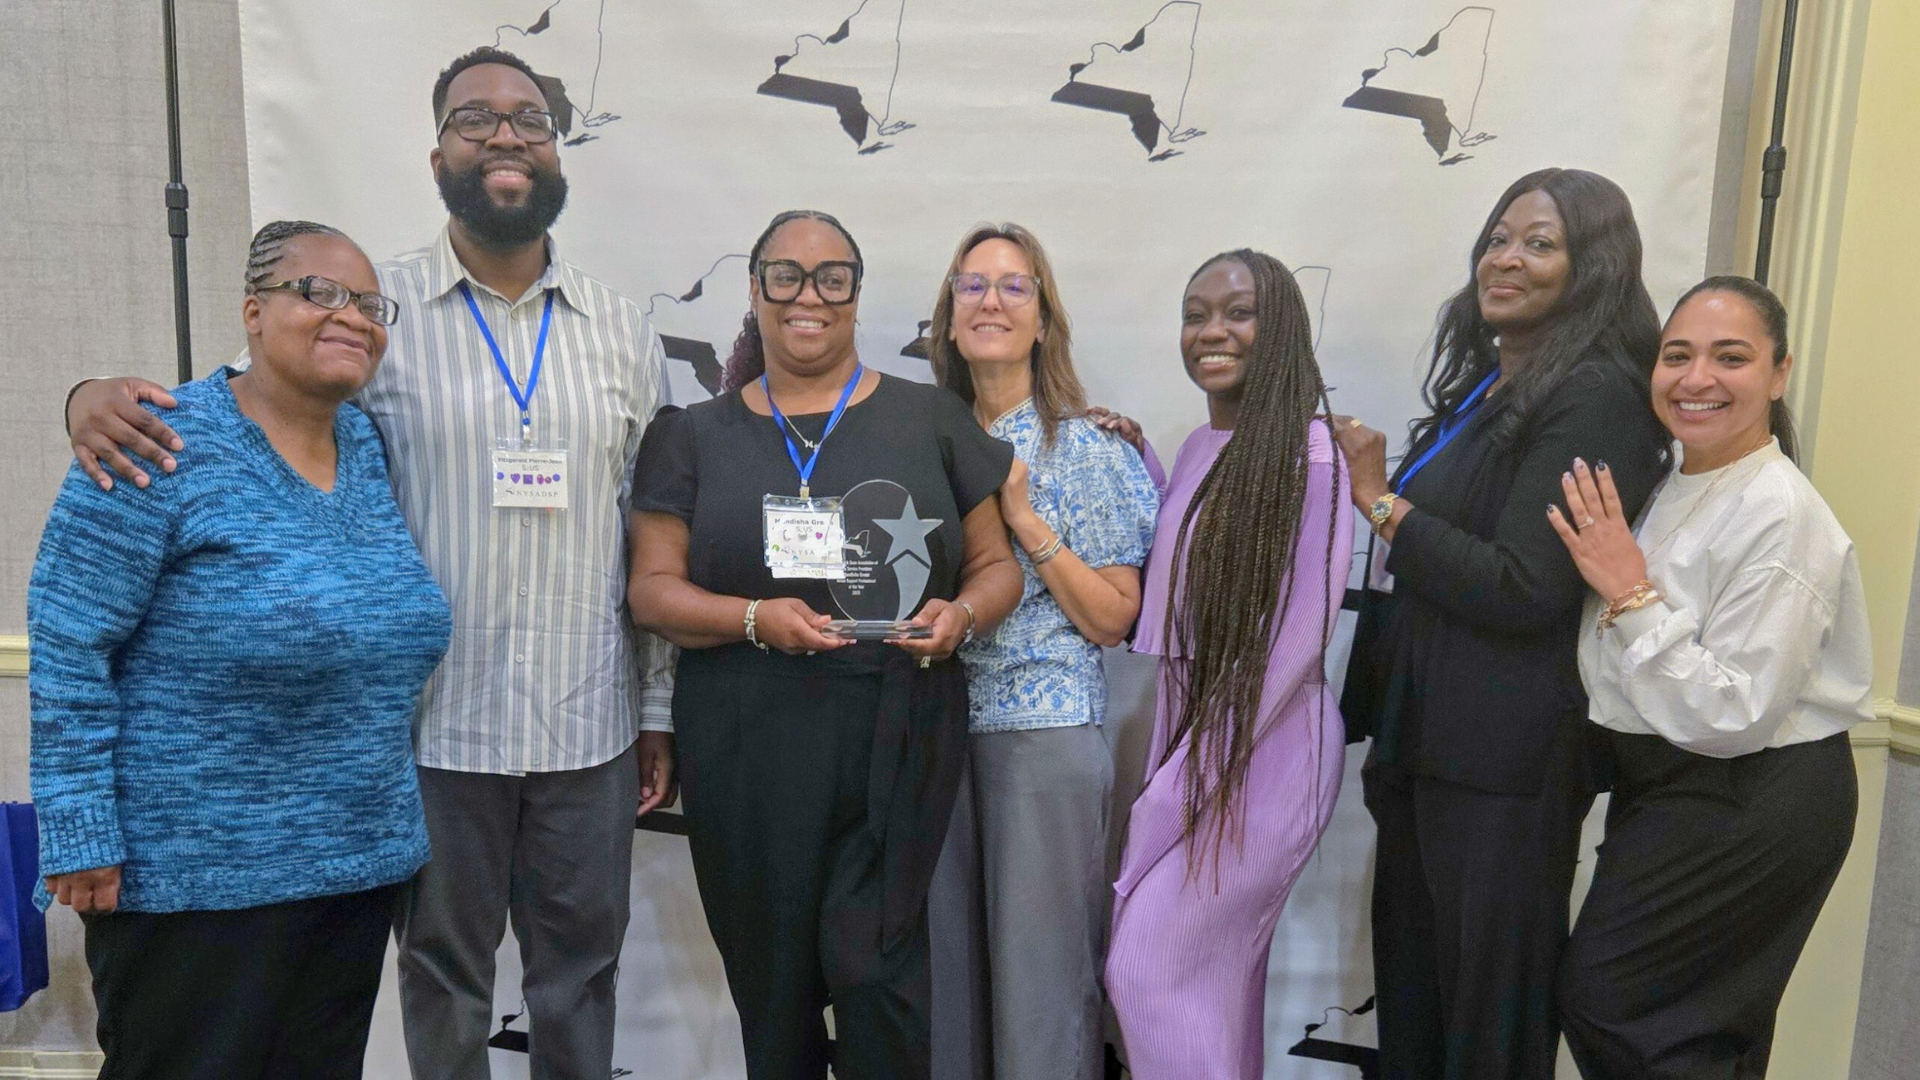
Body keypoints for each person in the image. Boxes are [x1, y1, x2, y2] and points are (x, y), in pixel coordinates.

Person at [62, 47, 675, 1080]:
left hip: (588, 723)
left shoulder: (625, 331)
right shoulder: (370, 313)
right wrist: (85, 397)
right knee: (443, 979)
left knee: (582, 975)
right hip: (427, 734)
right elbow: (242, 412)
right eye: (476, 119)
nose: (506, 136)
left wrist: (655, 706)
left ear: (557, 150)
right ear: (438, 156)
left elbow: (645, 529)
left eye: (529, 119)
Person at [29, 221, 451, 1079]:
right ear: (253, 311)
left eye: (370, 305)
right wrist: (77, 830)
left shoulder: (365, 446)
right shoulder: (156, 440)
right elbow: (69, 643)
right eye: (319, 292)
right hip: (192, 875)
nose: (352, 316)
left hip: (352, 868)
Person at [627, 209, 1024, 1080]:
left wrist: (962, 616)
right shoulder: (693, 435)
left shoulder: (932, 418)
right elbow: (652, 589)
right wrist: (752, 619)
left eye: (832, 277)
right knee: (773, 991)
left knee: (881, 979)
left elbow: (997, 566)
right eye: (786, 275)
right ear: (755, 289)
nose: (809, 296)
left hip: (898, 733)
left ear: (855, 293)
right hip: (746, 745)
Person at [1331, 167, 1670, 1079]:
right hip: (1425, 745)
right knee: (1418, 1015)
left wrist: (1381, 502)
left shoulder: (1597, 397)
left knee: (1488, 1032)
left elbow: (1526, 586)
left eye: (1539, 243)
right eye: (1497, 238)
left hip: (1504, 765)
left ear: (1593, 266)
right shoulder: (1493, 387)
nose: (1506, 258)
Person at [1548, 277, 1867, 1079]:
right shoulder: (1674, 478)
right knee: (1693, 1031)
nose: (1697, 379)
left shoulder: (1782, 513)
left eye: (1731, 357)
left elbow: (1734, 712)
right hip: (1676, 779)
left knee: (1618, 1007)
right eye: (1677, 356)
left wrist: (1630, 592)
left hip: (1752, 788)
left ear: (1779, 373)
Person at [1090, 249, 1351, 1079]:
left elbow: (1290, 645)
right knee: (1208, 986)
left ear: (1282, 330)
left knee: (1151, 971)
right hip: (1195, 732)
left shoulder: (1311, 459)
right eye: (1195, 313)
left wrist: (1186, 775)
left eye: (1239, 313)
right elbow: (1186, 563)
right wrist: (1137, 457)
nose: (1212, 331)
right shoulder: (1207, 444)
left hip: (1260, 749)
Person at [923, 223, 1158, 1080]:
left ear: (1044, 319)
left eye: (1014, 286)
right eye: (973, 285)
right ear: (948, 317)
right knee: (947, 990)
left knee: (1040, 990)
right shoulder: (920, 440)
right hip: (932, 737)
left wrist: (1023, 518)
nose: (991, 301)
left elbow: (1114, 618)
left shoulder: (1087, 448)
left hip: (1042, 736)